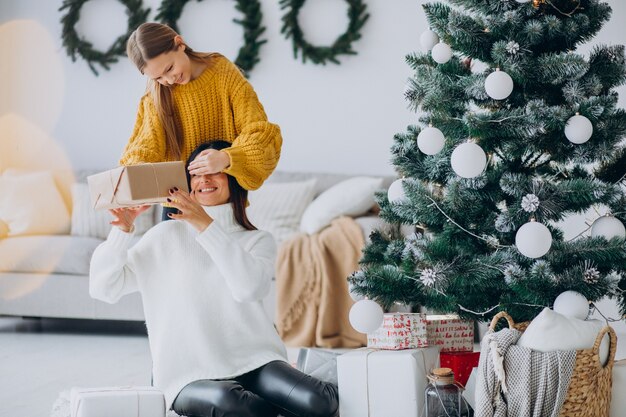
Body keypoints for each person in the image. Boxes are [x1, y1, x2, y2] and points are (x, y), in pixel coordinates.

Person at [90, 141, 339, 417]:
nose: (204, 180)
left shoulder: (257, 240)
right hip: (187, 374)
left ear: (234, 179)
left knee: (319, 401)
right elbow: (103, 289)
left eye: (212, 171)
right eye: (195, 173)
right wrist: (121, 232)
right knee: (233, 404)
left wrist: (205, 224)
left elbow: (248, 288)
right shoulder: (164, 237)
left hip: (257, 363)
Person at [123, 22, 282, 219]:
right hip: (178, 208)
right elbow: (145, 147)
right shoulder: (156, 96)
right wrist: (136, 180)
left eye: (170, 68)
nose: (169, 80)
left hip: (224, 202)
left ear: (179, 43)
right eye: (159, 78)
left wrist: (227, 158)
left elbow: (261, 133)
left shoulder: (223, 73)